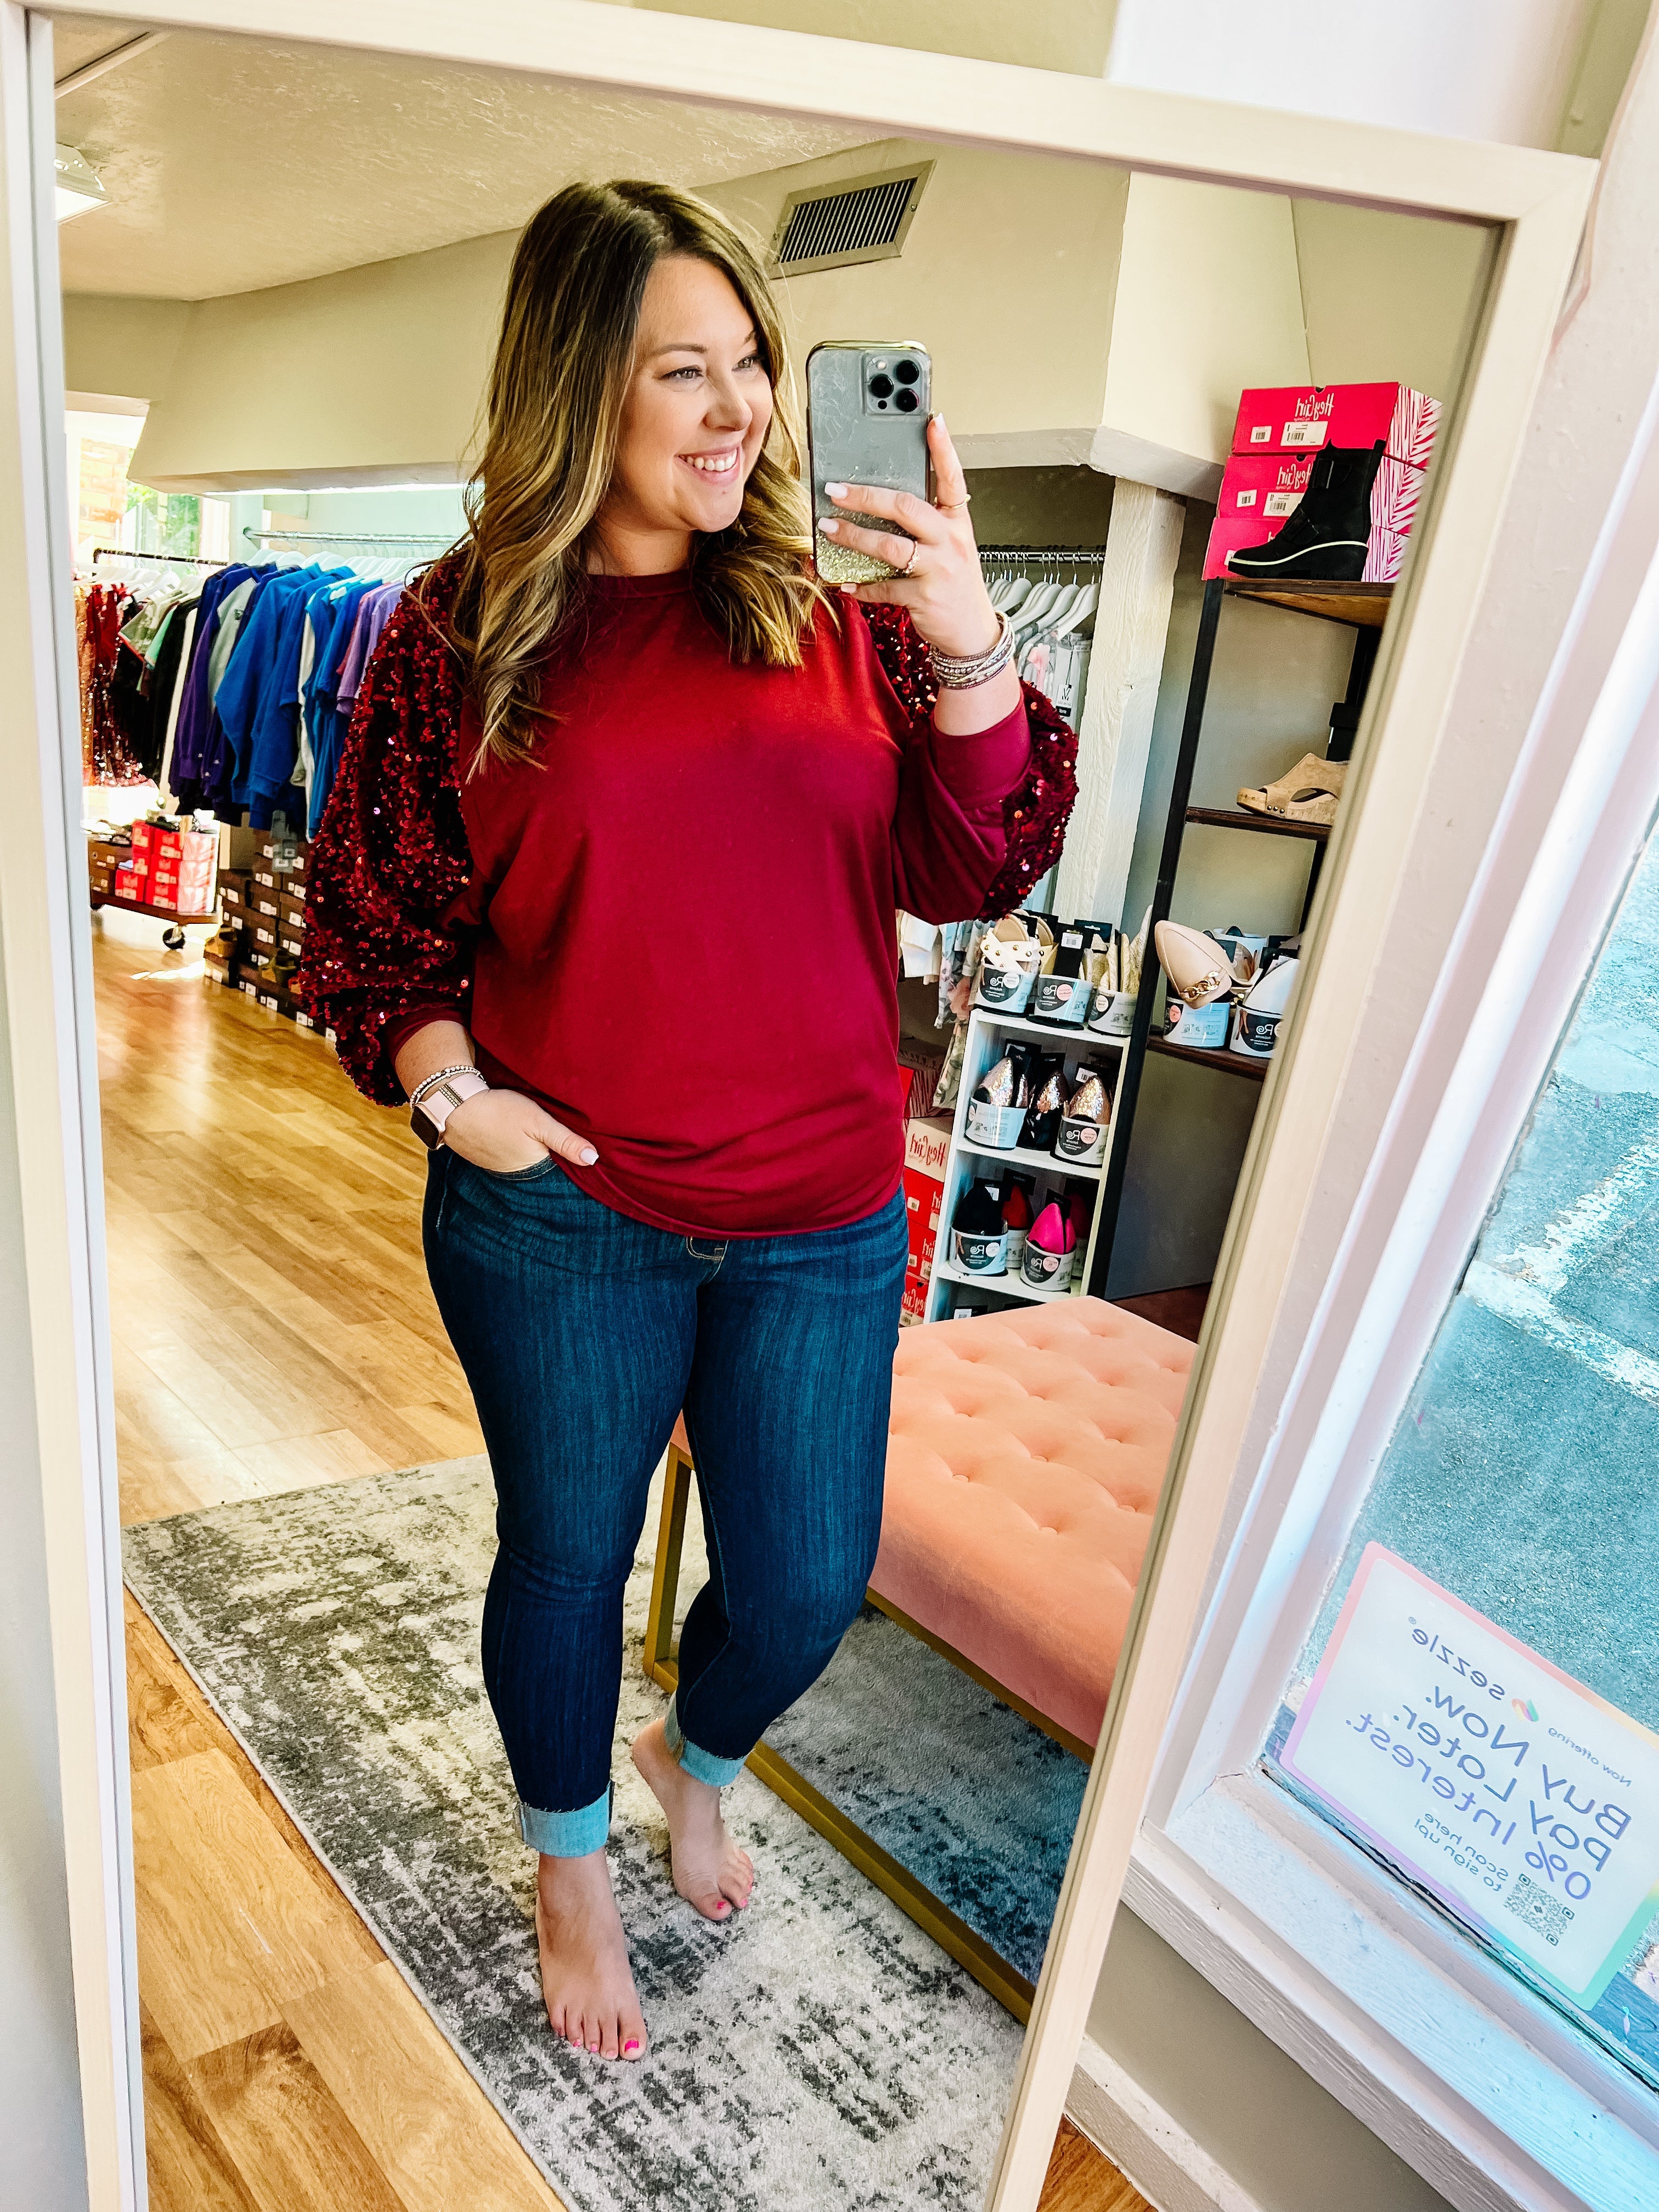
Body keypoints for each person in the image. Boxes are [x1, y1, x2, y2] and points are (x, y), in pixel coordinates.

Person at [301, 178, 1076, 2067]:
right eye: (683, 370)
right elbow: (374, 926)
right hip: (566, 1213)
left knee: (804, 1583)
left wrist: (967, 626)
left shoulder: (836, 614)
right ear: (581, 386)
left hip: (824, 1215)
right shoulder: (460, 630)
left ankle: (691, 1753)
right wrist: (454, 1097)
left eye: (751, 363)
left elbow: (980, 862)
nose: (739, 410)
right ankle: (571, 1857)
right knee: (568, 1557)